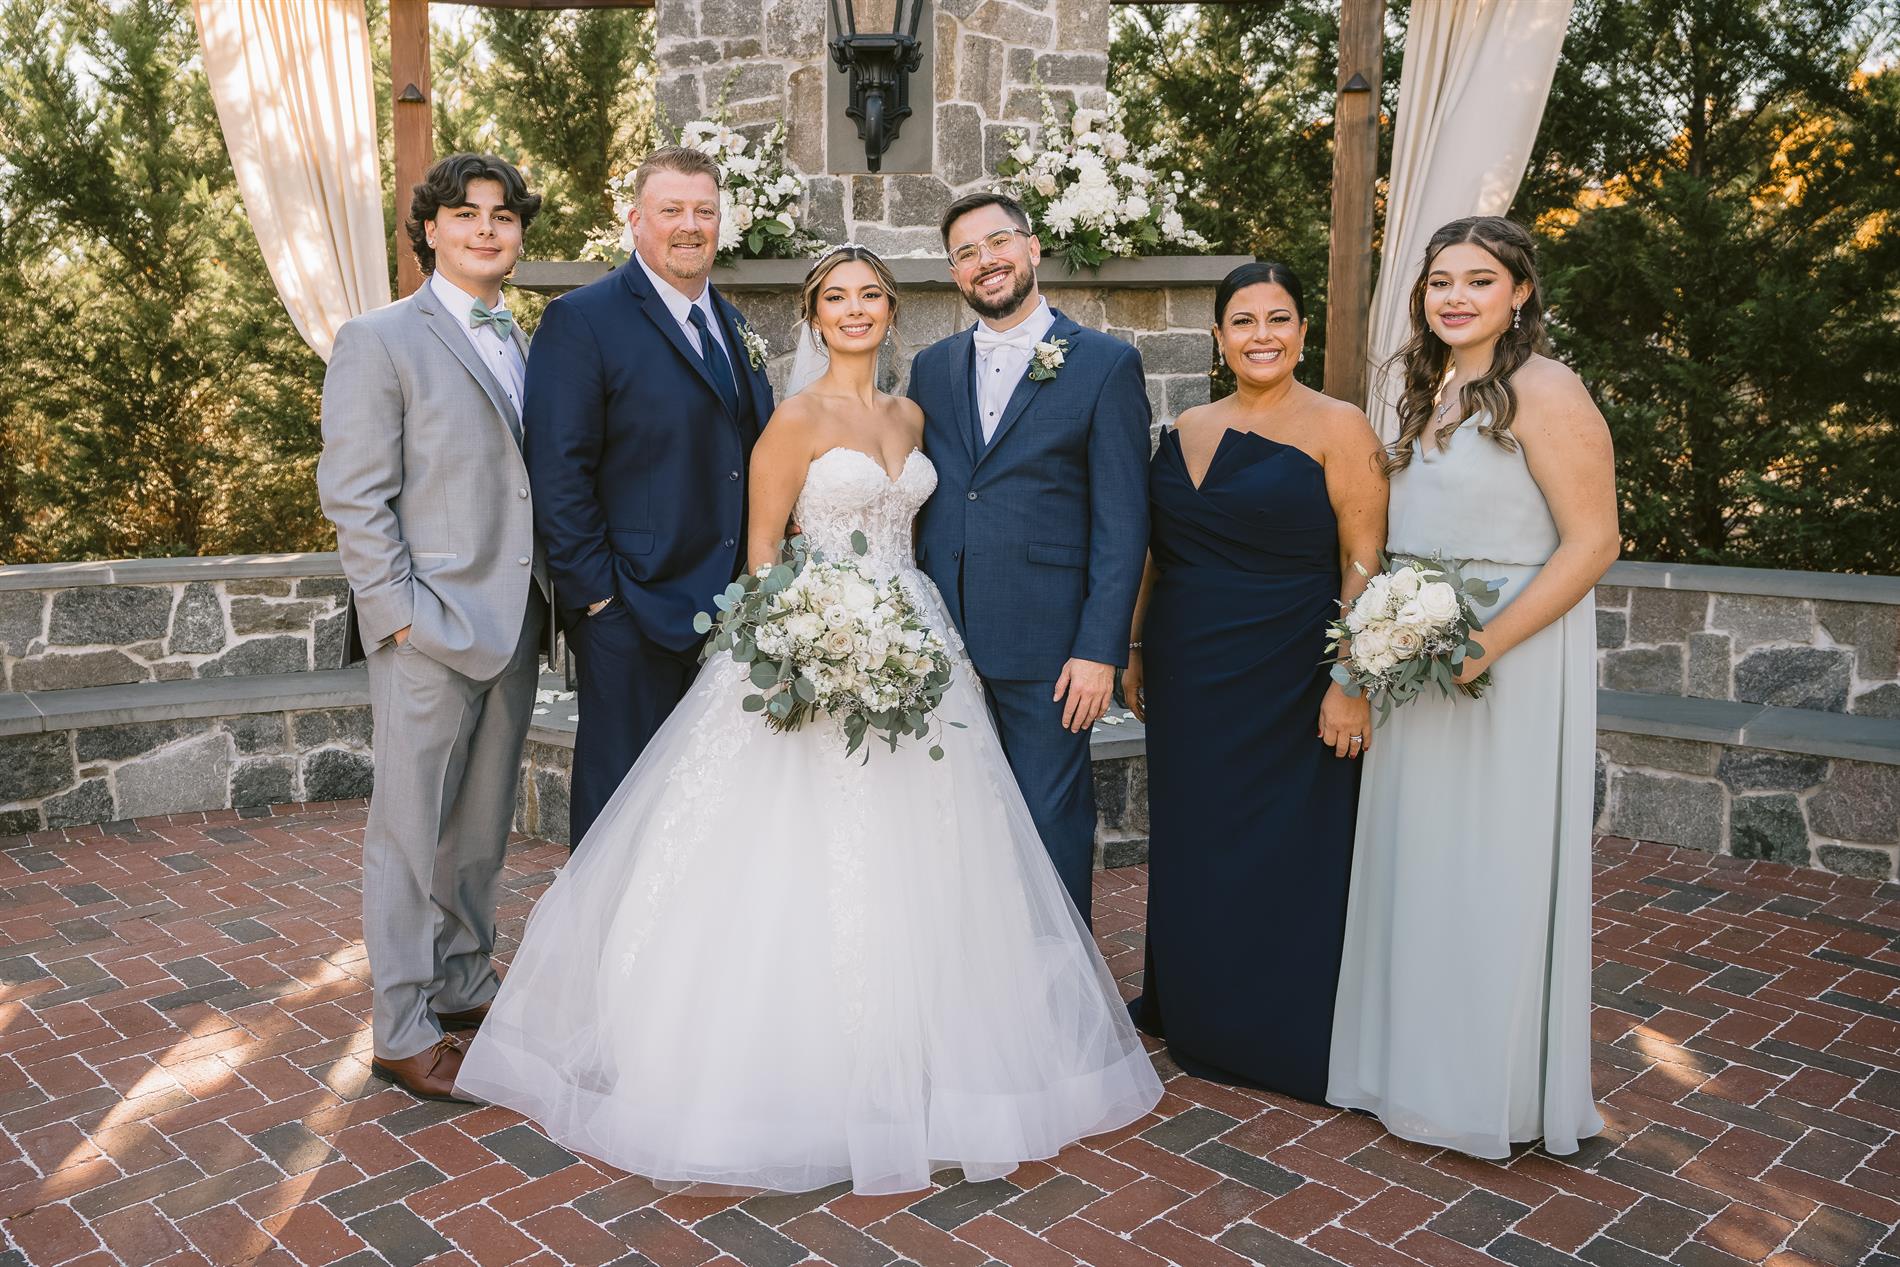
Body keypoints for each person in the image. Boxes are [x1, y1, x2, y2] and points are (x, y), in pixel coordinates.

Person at [454, 245, 1163, 1195]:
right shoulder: (791, 420)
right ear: (814, 316)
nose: (855, 309)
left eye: (871, 295)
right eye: (837, 297)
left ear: (892, 310)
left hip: (918, 644)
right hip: (816, 640)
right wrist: (805, 643)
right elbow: (760, 556)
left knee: (940, 844)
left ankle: (939, 1048)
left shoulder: (914, 413)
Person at [1328, 216, 1617, 1157]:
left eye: (1479, 280)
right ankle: (1413, 1071)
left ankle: (1486, 1088)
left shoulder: (1548, 388)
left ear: (1520, 292)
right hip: (1419, 660)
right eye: (1440, 281)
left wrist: (1487, 646)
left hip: (1507, 660)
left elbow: (1594, 543)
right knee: (1424, 863)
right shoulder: (1432, 390)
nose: (1455, 297)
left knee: (1491, 866)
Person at [1121, 262, 1385, 1103]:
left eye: (1278, 318)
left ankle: (1275, 1028)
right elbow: (1156, 550)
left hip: (1289, 667)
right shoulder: (1186, 425)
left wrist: (1350, 675)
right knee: (1194, 838)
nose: (1260, 335)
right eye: (1243, 320)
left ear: (1303, 331)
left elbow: (1366, 559)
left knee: (1284, 845)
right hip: (1188, 669)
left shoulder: (1341, 426)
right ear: (1218, 336)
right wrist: (1133, 641)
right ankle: (1193, 1002)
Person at [316, 153, 547, 1102]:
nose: (486, 228)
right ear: (431, 230)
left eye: (502, 215)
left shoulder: (519, 338)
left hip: (518, 619)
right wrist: (398, 617)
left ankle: (460, 979)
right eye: (465, 213)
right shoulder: (378, 339)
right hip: (428, 628)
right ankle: (401, 1028)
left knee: (480, 827)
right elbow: (355, 495)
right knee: (408, 837)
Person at [905, 193, 1151, 925]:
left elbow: (1123, 523)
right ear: (954, 272)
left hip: (1049, 646)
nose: (985, 261)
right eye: (966, 252)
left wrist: (1100, 648)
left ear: (1033, 247)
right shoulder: (931, 368)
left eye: (998, 242)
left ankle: (1057, 977)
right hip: (940, 639)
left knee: (1049, 821)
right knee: (953, 820)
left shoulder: (1106, 364)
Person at [525, 146, 775, 846]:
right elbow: (559, 471)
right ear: (636, 221)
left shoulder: (735, 325)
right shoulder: (583, 320)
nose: (689, 225)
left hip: (728, 614)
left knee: (706, 809)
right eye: (671, 210)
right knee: (621, 810)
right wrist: (599, 600)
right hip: (631, 611)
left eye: (704, 211)